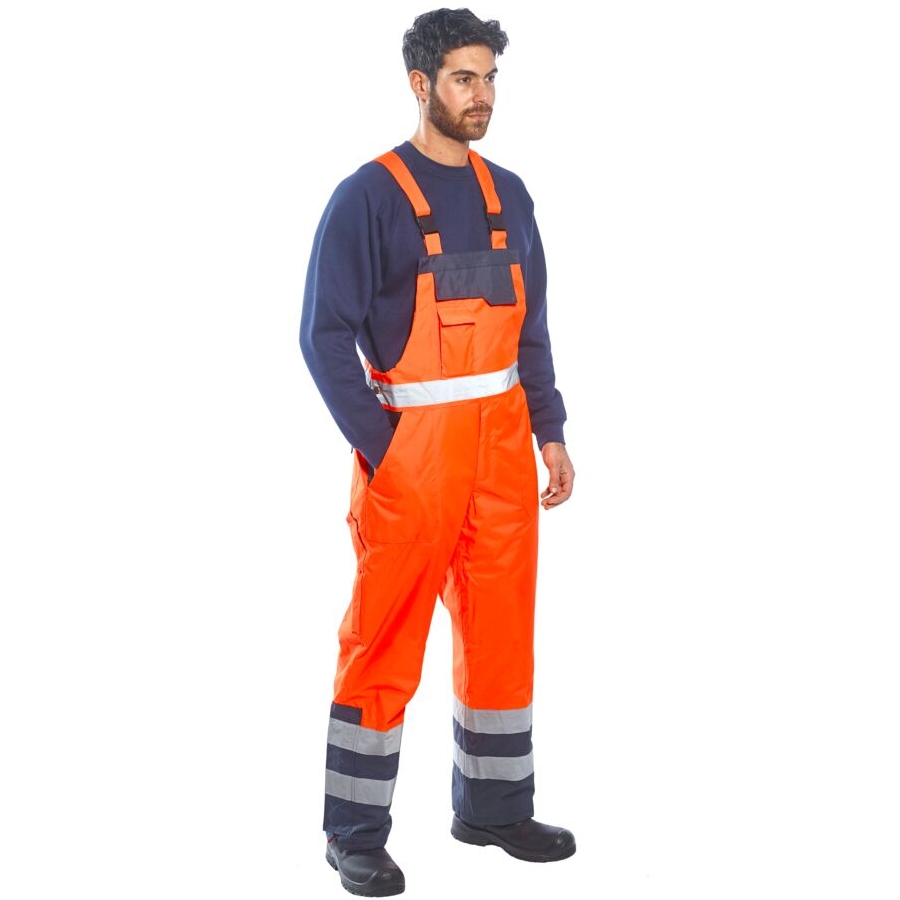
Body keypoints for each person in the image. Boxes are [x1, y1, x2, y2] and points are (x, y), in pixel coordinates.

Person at [299, 8, 576, 896]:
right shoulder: (368, 197)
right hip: (413, 457)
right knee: (384, 641)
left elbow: (530, 330)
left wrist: (551, 430)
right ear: (421, 85)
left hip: (502, 450)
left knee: (501, 634)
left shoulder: (511, 195)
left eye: (489, 77)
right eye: (464, 78)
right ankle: (353, 834)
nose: (481, 94)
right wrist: (386, 451)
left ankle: (493, 808)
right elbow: (322, 336)